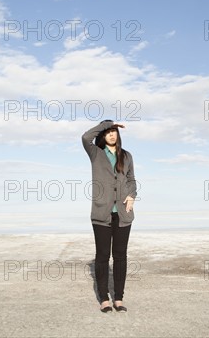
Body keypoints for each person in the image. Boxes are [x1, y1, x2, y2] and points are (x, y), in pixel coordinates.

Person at [81, 119, 137, 313]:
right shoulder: (95, 153)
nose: (112, 134)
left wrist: (132, 195)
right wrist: (107, 123)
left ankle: (119, 298)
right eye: (107, 132)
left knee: (120, 256)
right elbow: (85, 137)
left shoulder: (126, 155)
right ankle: (104, 298)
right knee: (103, 256)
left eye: (114, 131)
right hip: (101, 213)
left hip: (123, 214)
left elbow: (131, 180)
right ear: (102, 136)